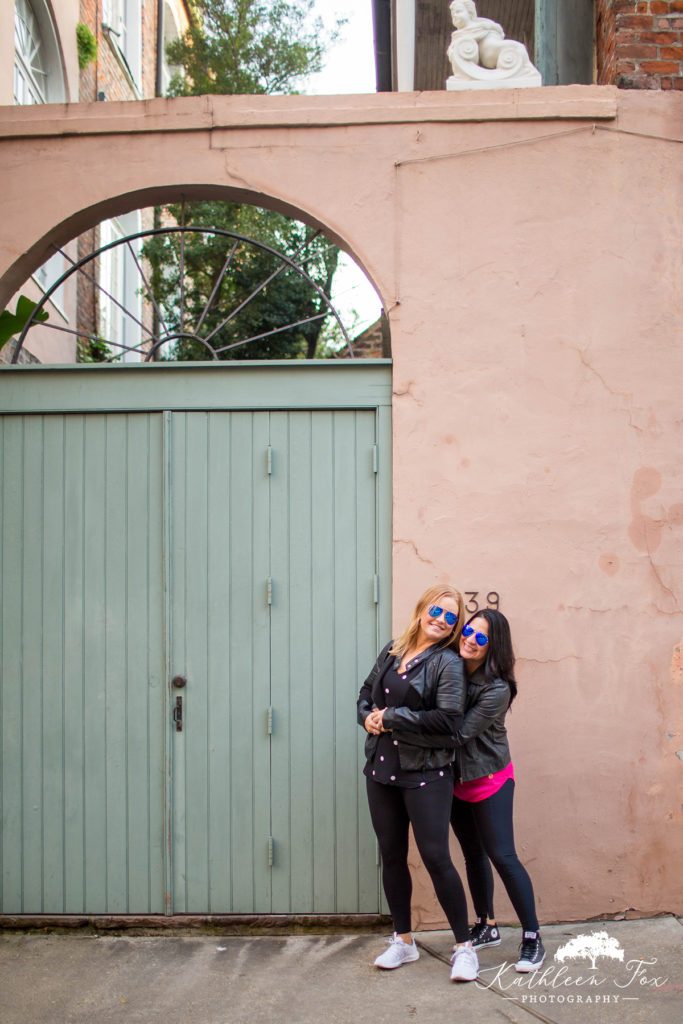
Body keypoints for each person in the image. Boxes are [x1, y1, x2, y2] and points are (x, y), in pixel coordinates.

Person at [357, 584, 480, 982]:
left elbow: (448, 722)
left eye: (450, 617)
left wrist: (389, 717)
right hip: (382, 769)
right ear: (422, 608)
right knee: (391, 855)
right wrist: (368, 718)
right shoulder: (394, 648)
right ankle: (403, 941)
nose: (442, 620)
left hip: (426, 772)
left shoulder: (448, 663)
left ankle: (464, 948)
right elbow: (365, 694)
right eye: (436, 611)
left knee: (436, 857)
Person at [450, 608, 545, 972]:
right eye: (469, 632)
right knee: (473, 854)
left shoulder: (496, 688)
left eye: (482, 637)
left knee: (502, 856)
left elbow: (458, 733)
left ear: (494, 646)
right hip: (457, 781)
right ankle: (487, 925)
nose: (471, 640)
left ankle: (533, 937)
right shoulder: (452, 667)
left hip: (490, 780)